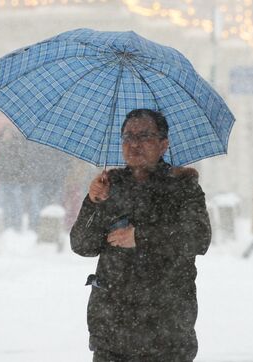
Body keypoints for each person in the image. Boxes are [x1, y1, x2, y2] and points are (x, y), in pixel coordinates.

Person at [70, 109, 212, 362]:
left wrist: (142, 236)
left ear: (163, 144)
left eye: (144, 135)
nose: (133, 143)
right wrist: (92, 202)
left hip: (166, 332)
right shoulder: (109, 185)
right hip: (111, 332)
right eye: (127, 137)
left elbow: (198, 237)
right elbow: (82, 245)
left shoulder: (182, 186)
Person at [0, 127, 24, 230]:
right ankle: (6, 223)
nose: (7, 136)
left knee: (16, 202)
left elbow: (22, 162)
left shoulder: (17, 146)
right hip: (2, 179)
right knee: (4, 202)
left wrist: (19, 175)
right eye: (6, 133)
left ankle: (17, 224)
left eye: (9, 134)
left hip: (14, 179)